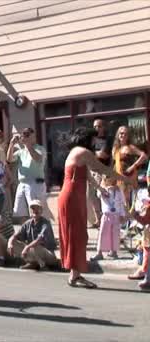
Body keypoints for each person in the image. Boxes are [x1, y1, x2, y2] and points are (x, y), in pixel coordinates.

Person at [58, 127, 132, 289]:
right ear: (87, 139)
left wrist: (99, 188)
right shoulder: (83, 151)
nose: (95, 142)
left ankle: (75, 275)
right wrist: (125, 179)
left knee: (79, 235)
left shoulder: (77, 152)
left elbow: (88, 175)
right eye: (93, 139)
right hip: (72, 196)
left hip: (73, 195)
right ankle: (75, 275)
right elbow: (102, 169)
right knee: (77, 234)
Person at [7, 128, 52, 223]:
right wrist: (11, 144)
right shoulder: (21, 151)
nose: (24, 137)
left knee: (35, 211)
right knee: (20, 212)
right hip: (22, 183)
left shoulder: (39, 149)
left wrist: (28, 144)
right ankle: (26, 234)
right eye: (24, 135)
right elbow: (9, 159)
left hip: (35, 183)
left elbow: (37, 158)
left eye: (27, 135)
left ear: (33, 137)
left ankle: (40, 233)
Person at [7, 200, 58, 270]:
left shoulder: (46, 223)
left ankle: (43, 265)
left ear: (41, 211)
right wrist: (10, 243)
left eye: (38, 208)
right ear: (30, 211)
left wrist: (27, 247)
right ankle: (32, 263)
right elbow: (15, 236)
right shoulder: (27, 223)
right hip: (33, 251)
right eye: (33, 208)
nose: (35, 210)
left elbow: (39, 240)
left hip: (48, 255)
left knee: (34, 246)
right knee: (14, 243)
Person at [91, 175, 126, 261]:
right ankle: (99, 252)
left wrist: (122, 214)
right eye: (107, 178)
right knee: (103, 233)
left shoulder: (119, 190)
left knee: (115, 234)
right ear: (105, 180)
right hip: (106, 215)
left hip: (116, 215)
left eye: (111, 177)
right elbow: (98, 194)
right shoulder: (103, 190)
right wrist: (105, 188)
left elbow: (122, 203)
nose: (110, 179)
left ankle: (113, 252)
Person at [112, 126, 147, 208]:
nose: (123, 135)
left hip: (129, 176)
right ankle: (125, 218)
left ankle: (130, 218)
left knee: (129, 201)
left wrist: (133, 166)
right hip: (118, 176)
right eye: (121, 133)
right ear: (118, 135)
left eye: (125, 134)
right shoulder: (115, 148)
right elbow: (114, 163)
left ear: (128, 136)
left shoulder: (130, 147)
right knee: (121, 201)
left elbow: (144, 156)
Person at [88, 119, 112, 227]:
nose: (96, 128)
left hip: (102, 172)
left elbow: (104, 155)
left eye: (99, 126)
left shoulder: (108, 140)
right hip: (91, 171)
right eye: (94, 126)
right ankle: (99, 219)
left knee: (101, 196)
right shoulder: (91, 140)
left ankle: (106, 219)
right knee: (92, 196)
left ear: (103, 127)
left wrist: (91, 153)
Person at [129, 201, 150, 290]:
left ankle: (148, 279)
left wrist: (135, 215)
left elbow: (145, 220)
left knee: (148, 258)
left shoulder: (148, 207)